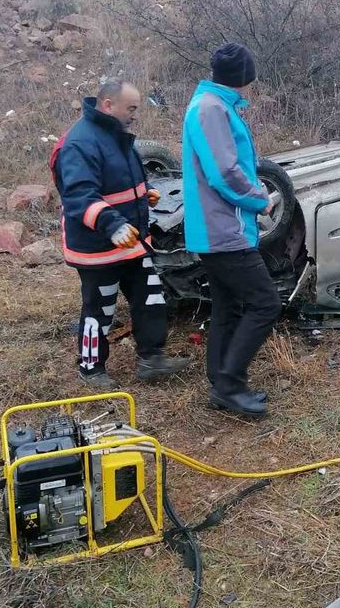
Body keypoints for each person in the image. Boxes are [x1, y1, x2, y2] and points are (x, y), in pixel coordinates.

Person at [54, 78, 189, 387]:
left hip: (132, 242)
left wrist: (145, 191)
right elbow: (78, 196)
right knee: (99, 308)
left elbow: (121, 176)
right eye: (131, 109)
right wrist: (112, 224)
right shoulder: (80, 143)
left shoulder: (114, 134)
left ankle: (151, 359)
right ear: (108, 105)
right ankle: (91, 368)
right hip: (97, 247)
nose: (134, 115)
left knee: (150, 299)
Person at [182, 44, 281, 417]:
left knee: (229, 305)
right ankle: (230, 384)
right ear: (244, 76)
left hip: (218, 228)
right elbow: (223, 172)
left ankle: (220, 381)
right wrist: (259, 199)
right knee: (265, 303)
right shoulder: (211, 109)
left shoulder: (215, 105)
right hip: (223, 230)